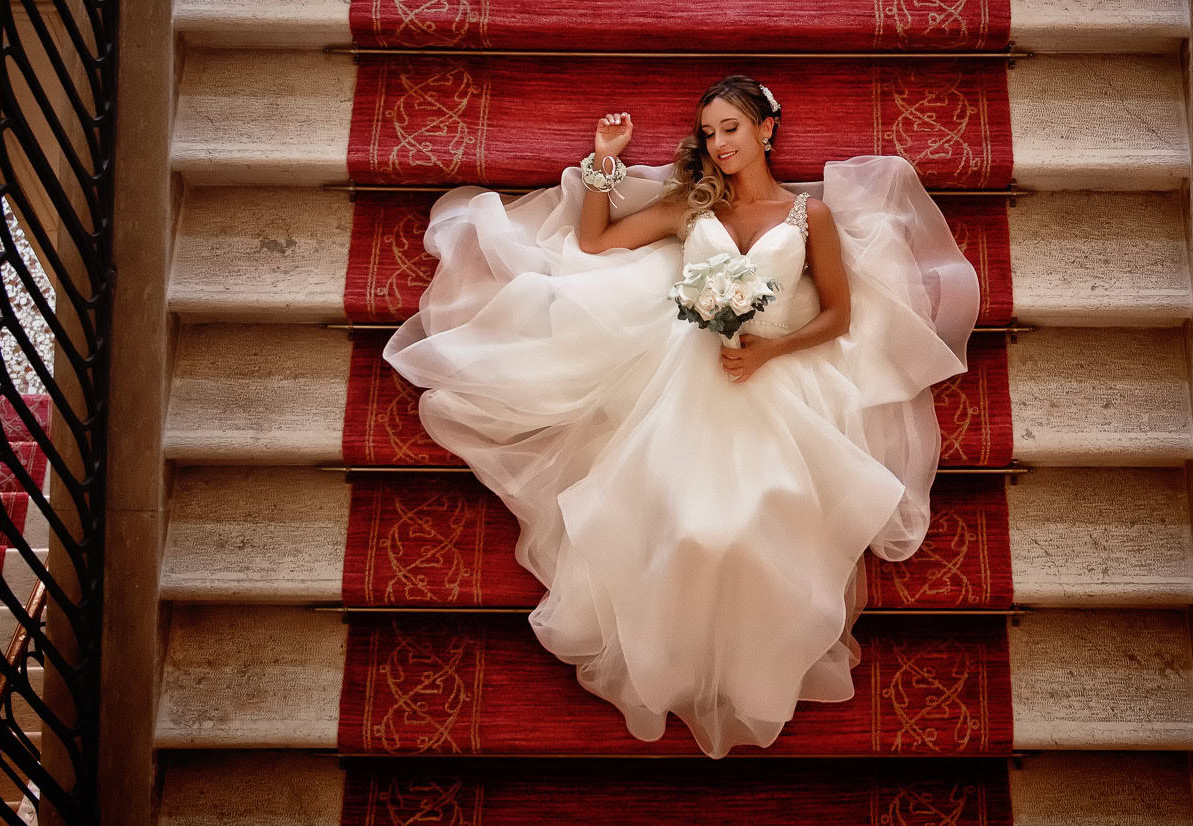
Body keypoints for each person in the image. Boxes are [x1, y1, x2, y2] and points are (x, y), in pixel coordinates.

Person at [382, 75, 979, 757]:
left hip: (774, 373)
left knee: (760, 521)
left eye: (731, 128)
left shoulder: (804, 218)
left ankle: (752, 658)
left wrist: (770, 350)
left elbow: (840, 315)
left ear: (766, 130)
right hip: (685, 370)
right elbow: (597, 242)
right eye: (708, 132)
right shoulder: (693, 207)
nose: (719, 143)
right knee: (679, 521)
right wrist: (604, 161)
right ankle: (666, 648)